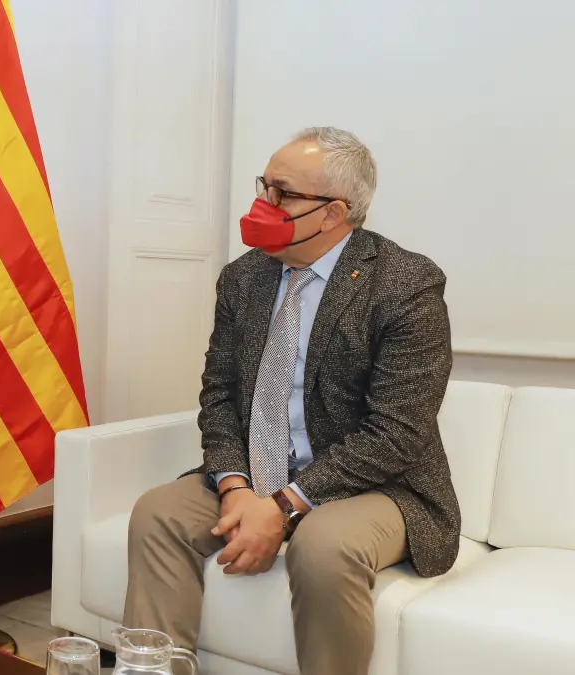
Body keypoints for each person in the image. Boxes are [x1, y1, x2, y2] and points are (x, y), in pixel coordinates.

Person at [123, 127, 458, 675]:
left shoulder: (405, 284)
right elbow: (220, 394)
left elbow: (397, 432)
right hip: (258, 470)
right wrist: (235, 487)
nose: (264, 204)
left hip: (376, 486)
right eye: (265, 186)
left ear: (333, 213)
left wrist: (283, 505)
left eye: (283, 193)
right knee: (158, 513)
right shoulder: (244, 277)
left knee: (324, 545)